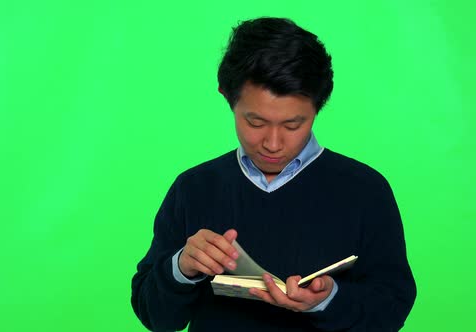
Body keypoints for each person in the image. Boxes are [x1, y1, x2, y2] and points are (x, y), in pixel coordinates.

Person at [131, 17, 416, 331]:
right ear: (227, 96)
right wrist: (181, 267)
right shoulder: (194, 187)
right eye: (255, 123)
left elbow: (392, 310)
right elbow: (155, 317)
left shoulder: (365, 190)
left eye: (293, 125)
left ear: (318, 108)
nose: (273, 143)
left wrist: (326, 300)